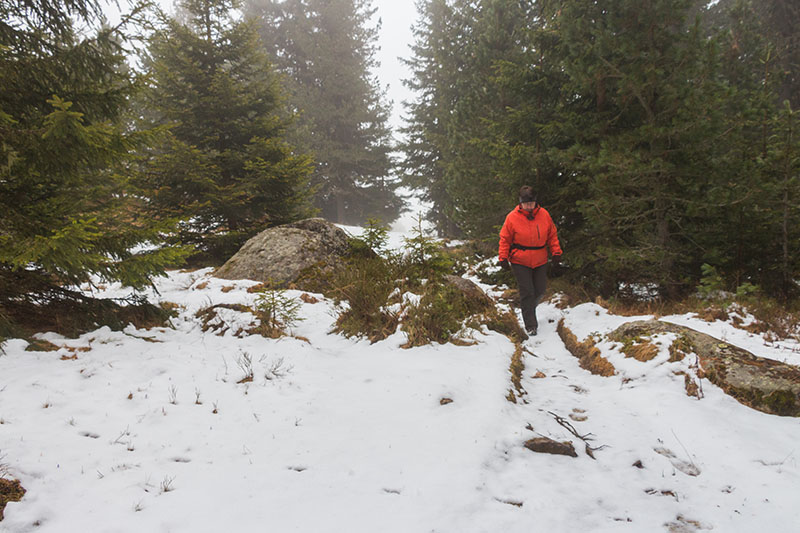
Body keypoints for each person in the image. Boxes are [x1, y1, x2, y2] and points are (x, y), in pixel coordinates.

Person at [498, 185, 562, 336]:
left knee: (539, 290)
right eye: (526, 204)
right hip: (520, 259)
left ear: (535, 202)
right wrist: (503, 257)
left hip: (540, 258)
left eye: (531, 204)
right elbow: (505, 239)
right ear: (520, 203)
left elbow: (552, 235)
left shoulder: (544, 214)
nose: (529, 207)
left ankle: (527, 309)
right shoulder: (512, 218)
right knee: (527, 291)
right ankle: (531, 325)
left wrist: (556, 253)